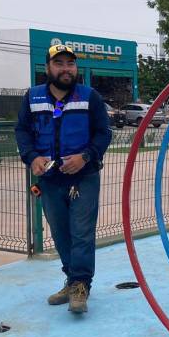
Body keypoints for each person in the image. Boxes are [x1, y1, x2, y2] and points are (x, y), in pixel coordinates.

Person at [15, 44, 111, 314]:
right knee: (60, 233)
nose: (66, 69)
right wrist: (31, 156)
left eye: (70, 63)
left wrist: (86, 156)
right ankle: (71, 280)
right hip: (49, 179)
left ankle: (81, 285)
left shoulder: (89, 97)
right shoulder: (32, 98)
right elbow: (22, 130)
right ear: (48, 68)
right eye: (59, 63)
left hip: (84, 177)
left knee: (82, 233)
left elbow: (104, 133)